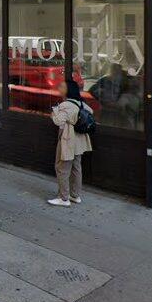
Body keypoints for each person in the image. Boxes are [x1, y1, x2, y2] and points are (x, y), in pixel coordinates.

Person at [48, 79, 93, 207]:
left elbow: (58, 121)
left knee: (62, 168)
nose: (59, 88)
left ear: (68, 90)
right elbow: (90, 112)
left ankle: (63, 198)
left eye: (62, 86)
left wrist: (54, 113)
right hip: (79, 141)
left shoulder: (66, 105)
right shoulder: (81, 103)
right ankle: (75, 195)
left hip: (68, 140)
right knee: (76, 168)